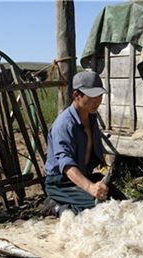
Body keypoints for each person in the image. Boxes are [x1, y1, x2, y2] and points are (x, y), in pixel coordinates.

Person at [41, 71, 126, 217]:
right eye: (92, 96)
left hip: (84, 175)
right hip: (61, 182)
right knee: (96, 211)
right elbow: (66, 164)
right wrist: (91, 188)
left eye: (100, 96)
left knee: (121, 203)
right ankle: (56, 206)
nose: (97, 101)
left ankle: (74, 200)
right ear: (76, 96)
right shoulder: (64, 125)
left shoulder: (91, 117)